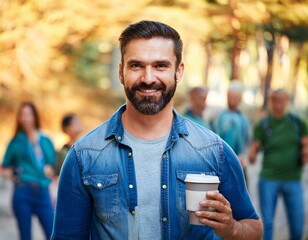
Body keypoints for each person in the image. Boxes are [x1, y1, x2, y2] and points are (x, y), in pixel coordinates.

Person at [52, 20, 263, 240]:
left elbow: (254, 230)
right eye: (136, 65)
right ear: (121, 72)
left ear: (179, 71)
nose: (148, 78)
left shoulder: (214, 151)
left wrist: (231, 228)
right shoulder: (84, 155)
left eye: (160, 65)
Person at [249, 89, 308, 240]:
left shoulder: (298, 123)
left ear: (288, 102)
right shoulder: (263, 124)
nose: (278, 105)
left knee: (297, 225)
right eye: (274, 101)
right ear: (270, 102)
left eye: (281, 101)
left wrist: (305, 152)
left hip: (293, 179)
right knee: (267, 224)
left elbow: (305, 145)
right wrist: (253, 151)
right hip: (269, 178)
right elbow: (252, 157)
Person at [1, 102, 56, 240]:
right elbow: (4, 166)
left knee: (53, 234)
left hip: (43, 192)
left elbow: (53, 165)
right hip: (23, 191)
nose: (25, 118)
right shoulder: (15, 142)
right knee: (25, 236)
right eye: (22, 115)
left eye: (28, 115)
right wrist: (11, 174)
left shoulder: (45, 140)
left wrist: (51, 170)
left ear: (35, 117)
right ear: (18, 118)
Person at [213, 80, 251, 183]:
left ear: (240, 99)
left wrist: (243, 156)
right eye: (230, 96)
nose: (232, 100)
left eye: (236, 97)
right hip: (221, 161)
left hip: (240, 161)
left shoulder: (243, 118)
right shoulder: (219, 116)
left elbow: (247, 140)